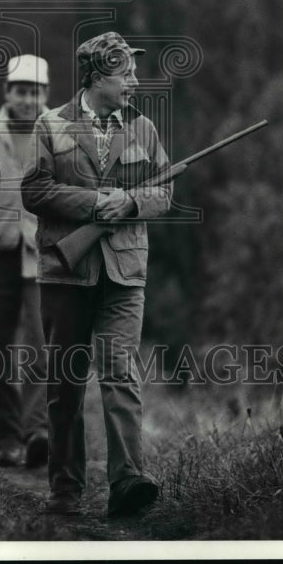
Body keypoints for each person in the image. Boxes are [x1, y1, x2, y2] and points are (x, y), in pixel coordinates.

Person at [21, 32, 173, 518]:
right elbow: (34, 190)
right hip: (67, 271)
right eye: (124, 72)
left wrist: (128, 202)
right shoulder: (51, 124)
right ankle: (64, 491)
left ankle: (128, 482)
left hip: (124, 272)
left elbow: (164, 193)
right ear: (93, 77)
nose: (133, 81)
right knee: (65, 383)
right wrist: (92, 204)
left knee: (120, 375)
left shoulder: (143, 127)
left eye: (133, 71)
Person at [0, 54, 50, 469]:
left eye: (35, 92)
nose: (28, 100)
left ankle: (37, 430)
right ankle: (5, 439)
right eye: (21, 91)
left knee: (41, 345)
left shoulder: (61, 134)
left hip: (44, 255)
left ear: (46, 95)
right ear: (7, 93)